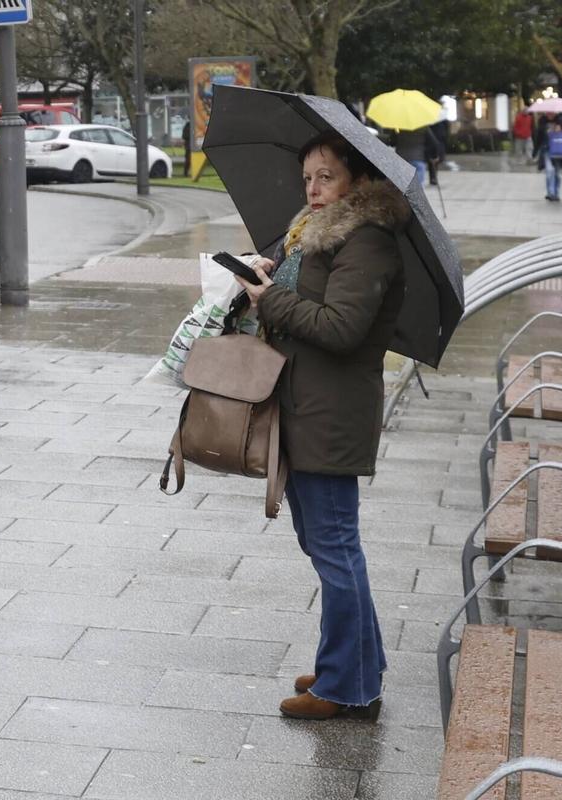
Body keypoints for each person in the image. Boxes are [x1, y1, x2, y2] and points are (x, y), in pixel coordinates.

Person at [233, 130, 408, 721]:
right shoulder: (309, 234)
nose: (312, 187)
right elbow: (298, 295)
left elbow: (340, 328)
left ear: (357, 181)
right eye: (307, 176)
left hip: (332, 413)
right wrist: (264, 274)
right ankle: (355, 665)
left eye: (326, 176)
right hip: (304, 404)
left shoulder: (369, 242)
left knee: (334, 548)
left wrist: (270, 301)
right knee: (325, 543)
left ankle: (346, 688)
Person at [535, 120, 562, 201]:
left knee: (558, 175)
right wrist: (547, 133)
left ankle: (556, 193)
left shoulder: (561, 119)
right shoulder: (543, 121)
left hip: (559, 155)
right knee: (549, 172)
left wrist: (560, 129)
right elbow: (539, 137)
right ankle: (551, 193)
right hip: (548, 152)